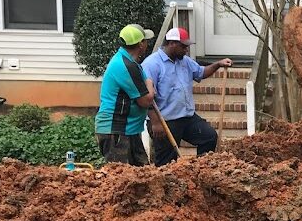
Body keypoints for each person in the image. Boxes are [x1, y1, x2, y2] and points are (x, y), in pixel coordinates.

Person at [142, 27, 233, 166]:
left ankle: (201, 172)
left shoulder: (184, 61)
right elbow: (146, 95)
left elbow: (201, 73)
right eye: (183, 46)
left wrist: (218, 64)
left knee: (209, 137)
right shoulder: (152, 64)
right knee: (168, 161)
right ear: (172, 44)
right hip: (165, 120)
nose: (186, 50)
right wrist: (155, 123)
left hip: (187, 117)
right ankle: (167, 185)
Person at [94, 24, 155, 166]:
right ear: (141, 44)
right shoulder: (125, 65)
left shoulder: (129, 61)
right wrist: (150, 85)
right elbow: (145, 101)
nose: (147, 43)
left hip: (129, 129)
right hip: (117, 131)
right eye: (145, 40)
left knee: (142, 175)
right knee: (121, 178)